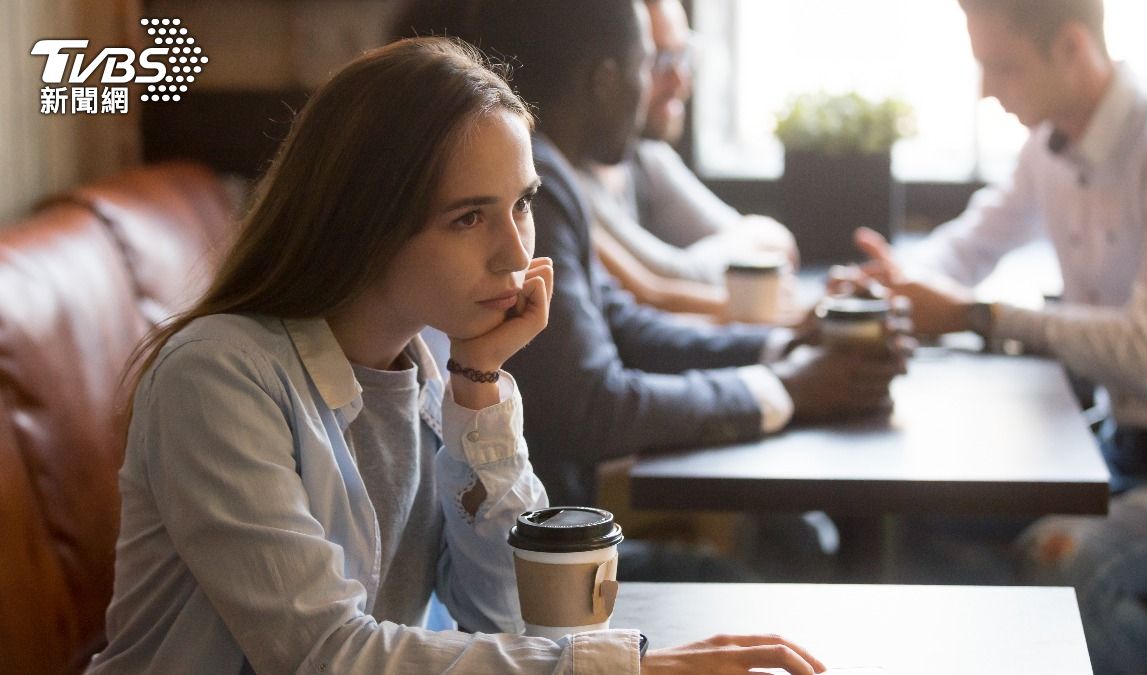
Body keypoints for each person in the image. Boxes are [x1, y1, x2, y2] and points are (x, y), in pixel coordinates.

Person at [85, 37, 828, 674]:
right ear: (365, 223)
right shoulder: (217, 375)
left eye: (522, 205)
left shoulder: (431, 363)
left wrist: (479, 387)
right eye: (470, 216)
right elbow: (323, 656)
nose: (514, 252)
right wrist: (615, 663)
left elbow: (500, 612)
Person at [395, 0, 906, 511]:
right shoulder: (530, 188)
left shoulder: (549, 179)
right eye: (646, 65)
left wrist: (784, 344)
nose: (655, 89)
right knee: (789, 544)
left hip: (553, 521)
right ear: (605, 80)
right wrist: (785, 388)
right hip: (551, 527)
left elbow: (627, 325)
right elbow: (593, 406)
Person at [844, 1, 1147, 673]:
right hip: (1115, 450)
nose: (984, 89)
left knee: (1061, 562)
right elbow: (971, 247)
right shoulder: (1050, 145)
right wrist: (891, 283)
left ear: (1071, 47)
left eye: (1000, 66)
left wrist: (984, 315)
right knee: (927, 517)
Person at [577, 0, 802, 319]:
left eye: (684, 55)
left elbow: (777, 244)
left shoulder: (645, 157)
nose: (682, 81)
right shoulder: (556, 181)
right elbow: (662, 286)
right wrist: (750, 287)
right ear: (605, 75)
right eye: (659, 60)